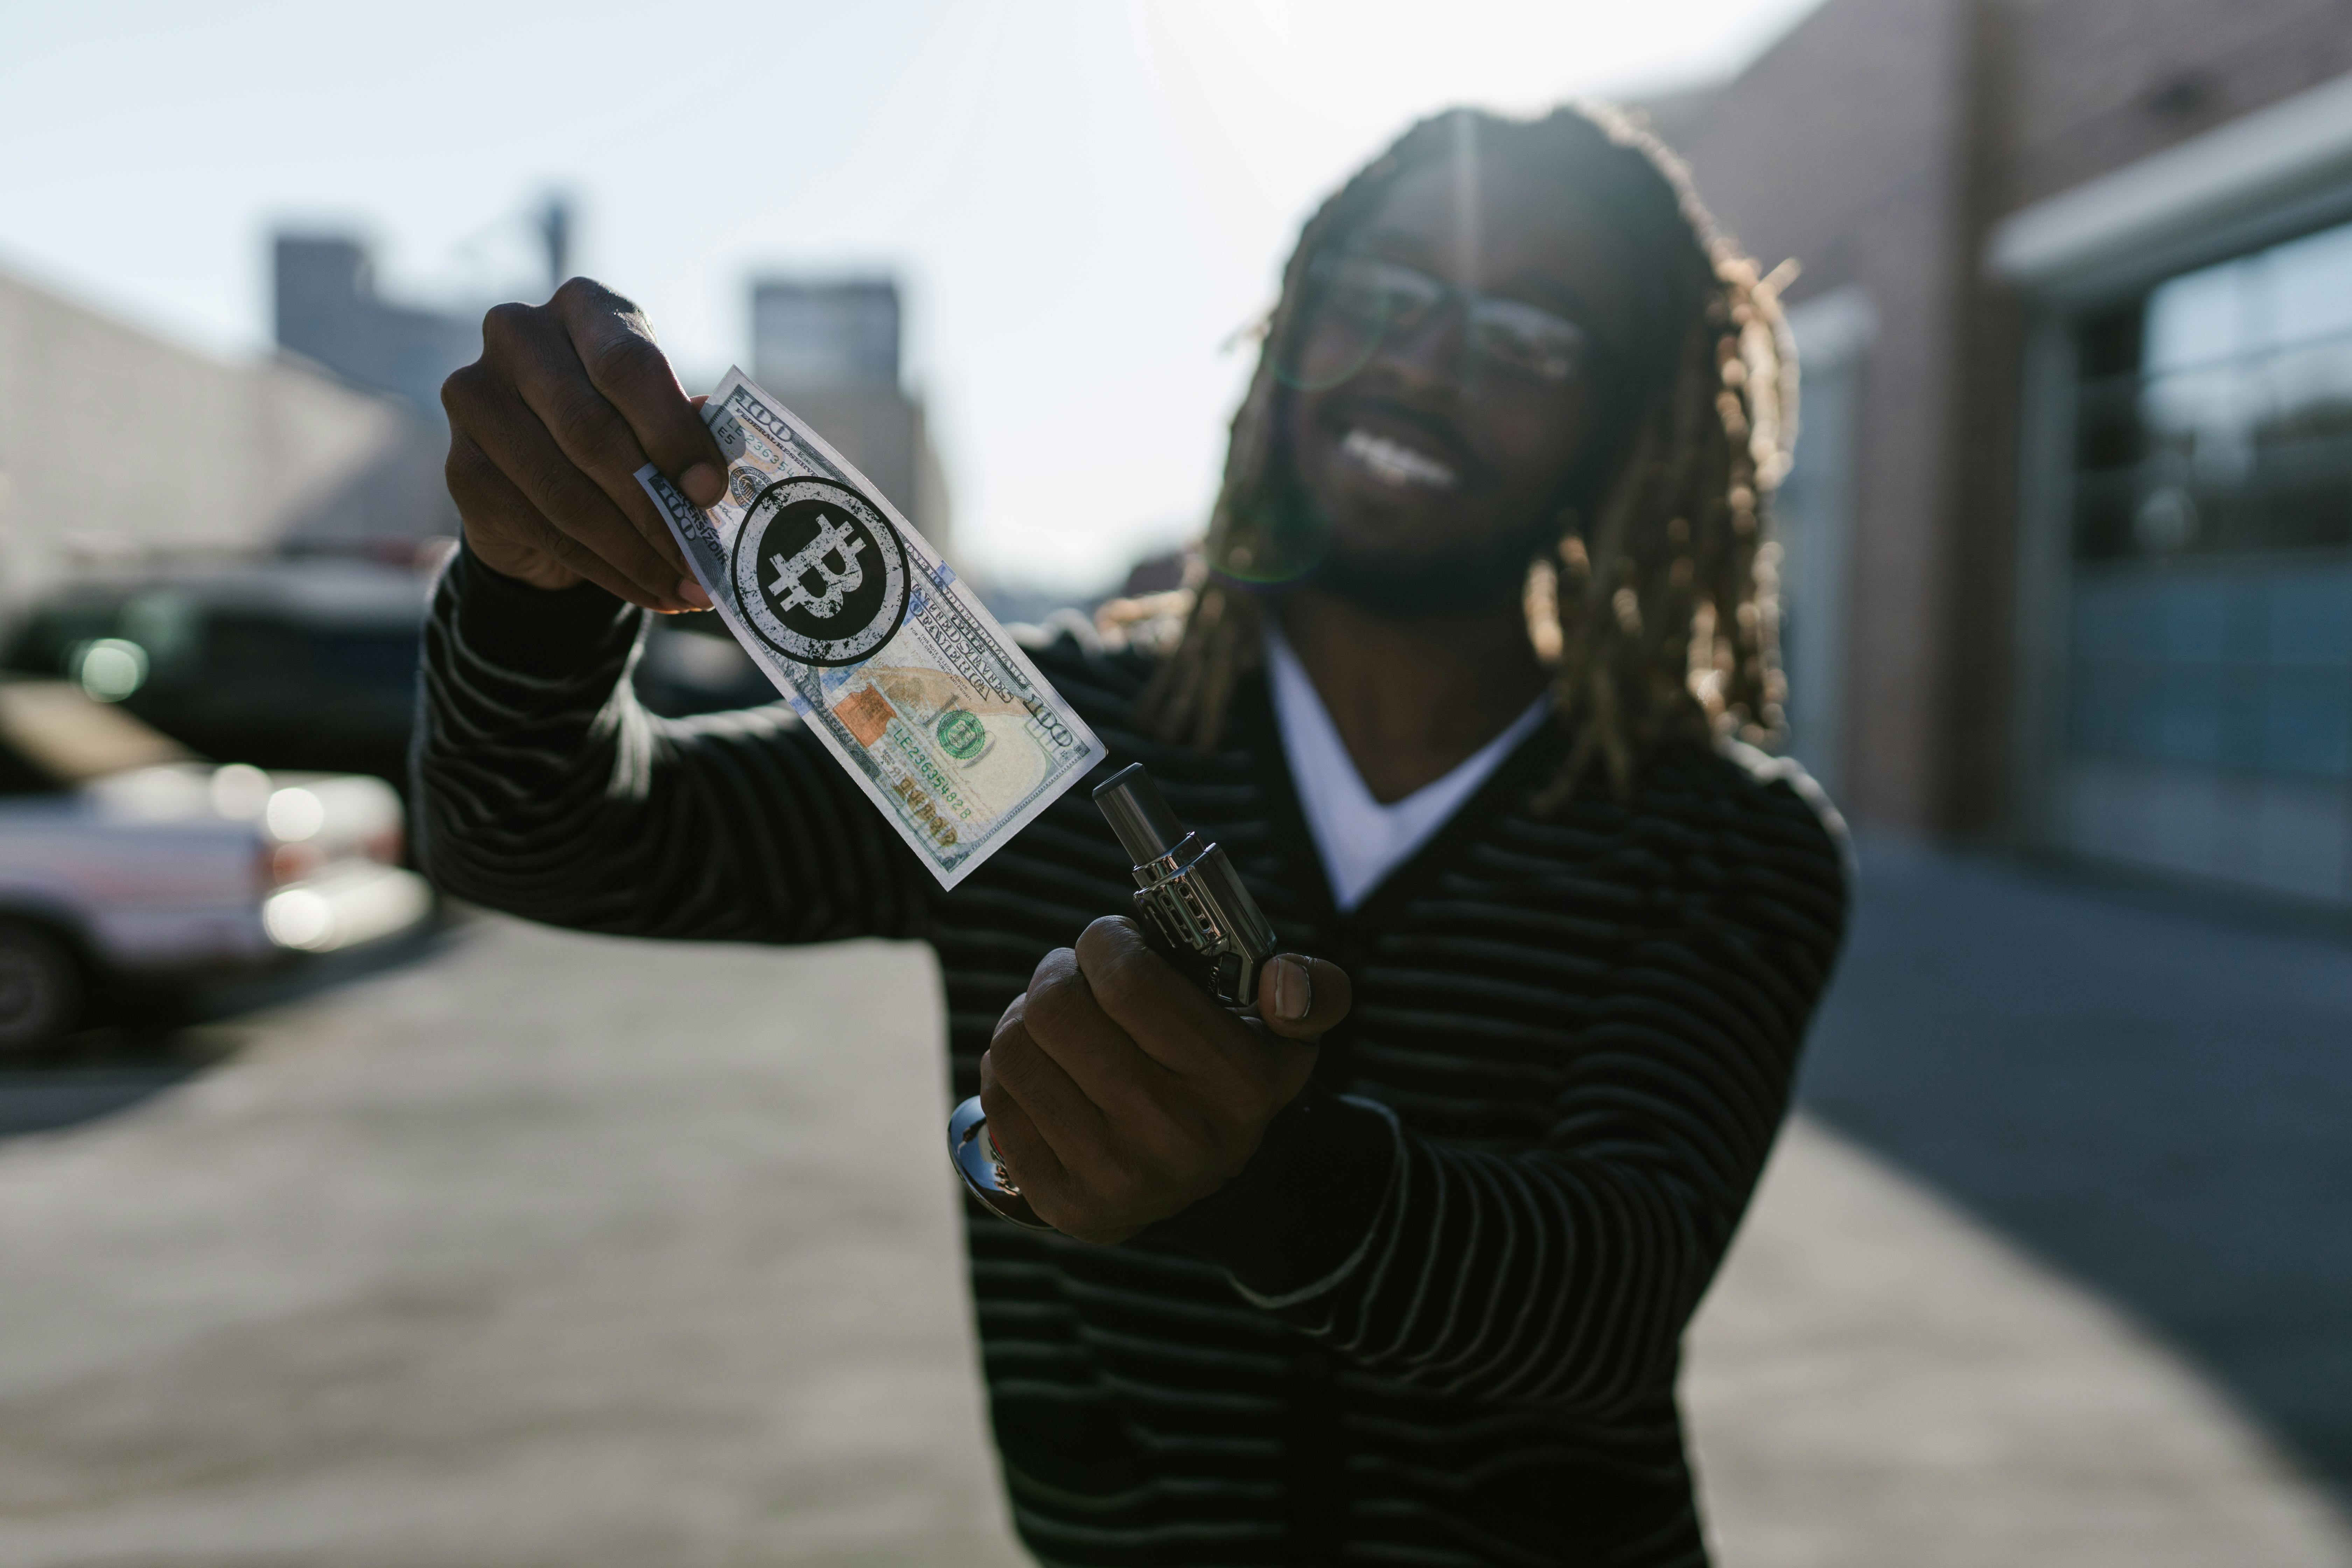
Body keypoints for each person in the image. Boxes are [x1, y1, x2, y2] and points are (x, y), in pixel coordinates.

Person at [419, 103, 1848, 1568]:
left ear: (1628, 420)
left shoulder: (1724, 836)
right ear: (1288, 337)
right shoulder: (1007, 726)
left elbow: (1611, 1295)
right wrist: (532, 591)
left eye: (1533, 333)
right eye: (1381, 298)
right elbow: (541, 834)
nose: (1423, 361)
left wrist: (1265, 1187)